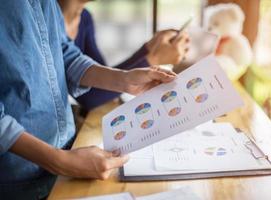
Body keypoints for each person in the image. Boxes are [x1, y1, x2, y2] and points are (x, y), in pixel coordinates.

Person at [0, 0, 176, 199]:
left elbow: (65, 53)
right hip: (16, 180)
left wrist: (123, 79)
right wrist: (60, 161)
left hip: (66, 158)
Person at [58, 0, 190, 111]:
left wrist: (148, 50)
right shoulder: (44, 21)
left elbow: (101, 79)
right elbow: (90, 98)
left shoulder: (84, 18)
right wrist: (152, 58)